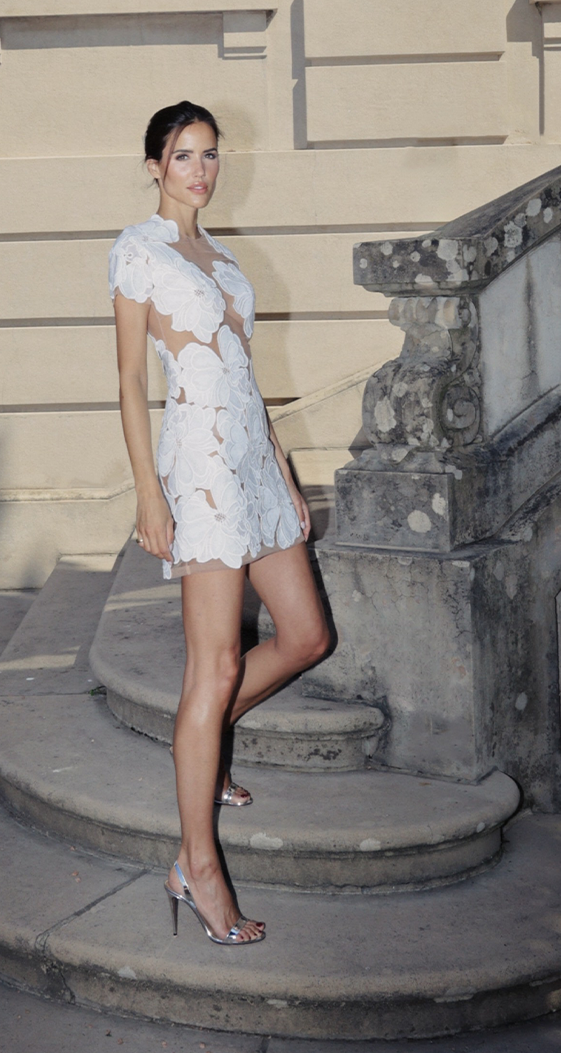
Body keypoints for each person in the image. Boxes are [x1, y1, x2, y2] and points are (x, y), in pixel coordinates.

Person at [109, 100, 331, 946]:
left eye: (209, 154)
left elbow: (244, 375)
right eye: (183, 154)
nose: (200, 169)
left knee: (307, 635)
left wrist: (283, 471)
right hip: (198, 472)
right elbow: (131, 380)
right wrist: (148, 494)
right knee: (217, 662)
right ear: (155, 165)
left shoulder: (226, 258)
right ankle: (195, 866)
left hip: (254, 467)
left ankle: (207, 741)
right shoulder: (139, 251)